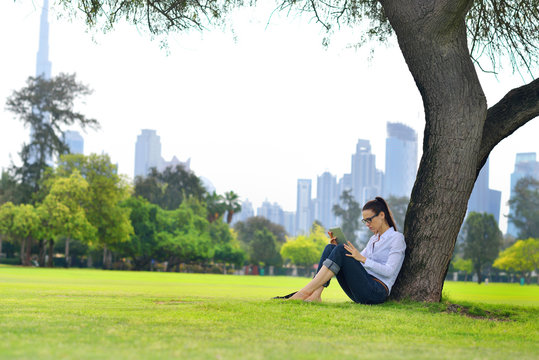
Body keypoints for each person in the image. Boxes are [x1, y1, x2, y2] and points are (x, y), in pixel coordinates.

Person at [287, 197, 406, 304]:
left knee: (340, 250)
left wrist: (363, 259)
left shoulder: (396, 238)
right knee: (331, 248)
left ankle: (303, 293)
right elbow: (355, 261)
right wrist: (337, 250)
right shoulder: (373, 239)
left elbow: (389, 271)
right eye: (365, 221)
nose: (367, 224)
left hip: (376, 291)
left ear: (382, 215)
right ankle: (316, 295)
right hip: (360, 289)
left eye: (369, 220)